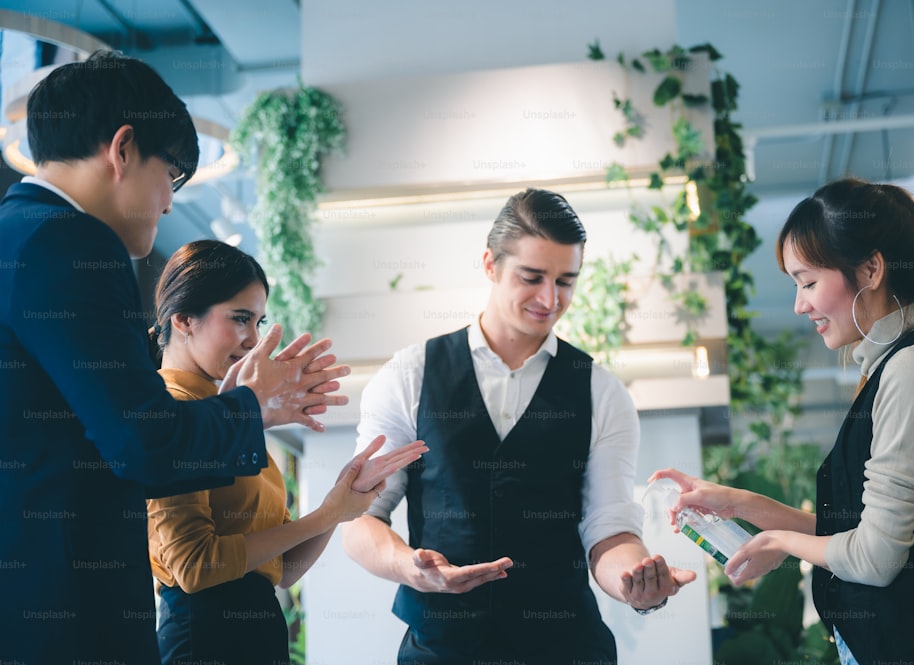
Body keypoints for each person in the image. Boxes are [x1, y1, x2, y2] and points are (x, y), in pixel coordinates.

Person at [0, 50, 348, 664]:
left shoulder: (21, 231)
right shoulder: (69, 241)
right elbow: (140, 442)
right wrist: (253, 406)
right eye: (172, 177)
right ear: (123, 149)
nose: (167, 205)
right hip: (62, 601)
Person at [652, 178, 914, 665]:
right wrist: (743, 505)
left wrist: (780, 540)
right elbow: (867, 533)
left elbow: (877, 560)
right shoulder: (895, 366)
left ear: (871, 269)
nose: (800, 305)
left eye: (809, 282)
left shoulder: (912, 369)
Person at [341, 188, 696, 665]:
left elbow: (609, 528)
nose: (550, 299)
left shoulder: (601, 392)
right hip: (444, 648)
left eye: (566, 281)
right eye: (532, 277)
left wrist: (634, 584)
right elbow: (360, 518)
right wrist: (411, 568)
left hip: (566, 648)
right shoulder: (410, 375)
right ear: (490, 264)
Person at [145, 240, 428, 665]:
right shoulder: (172, 409)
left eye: (259, 322)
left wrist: (341, 505)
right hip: (204, 641)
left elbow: (281, 571)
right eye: (241, 319)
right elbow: (196, 567)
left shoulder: (226, 417)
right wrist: (324, 516)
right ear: (184, 319)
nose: (254, 340)